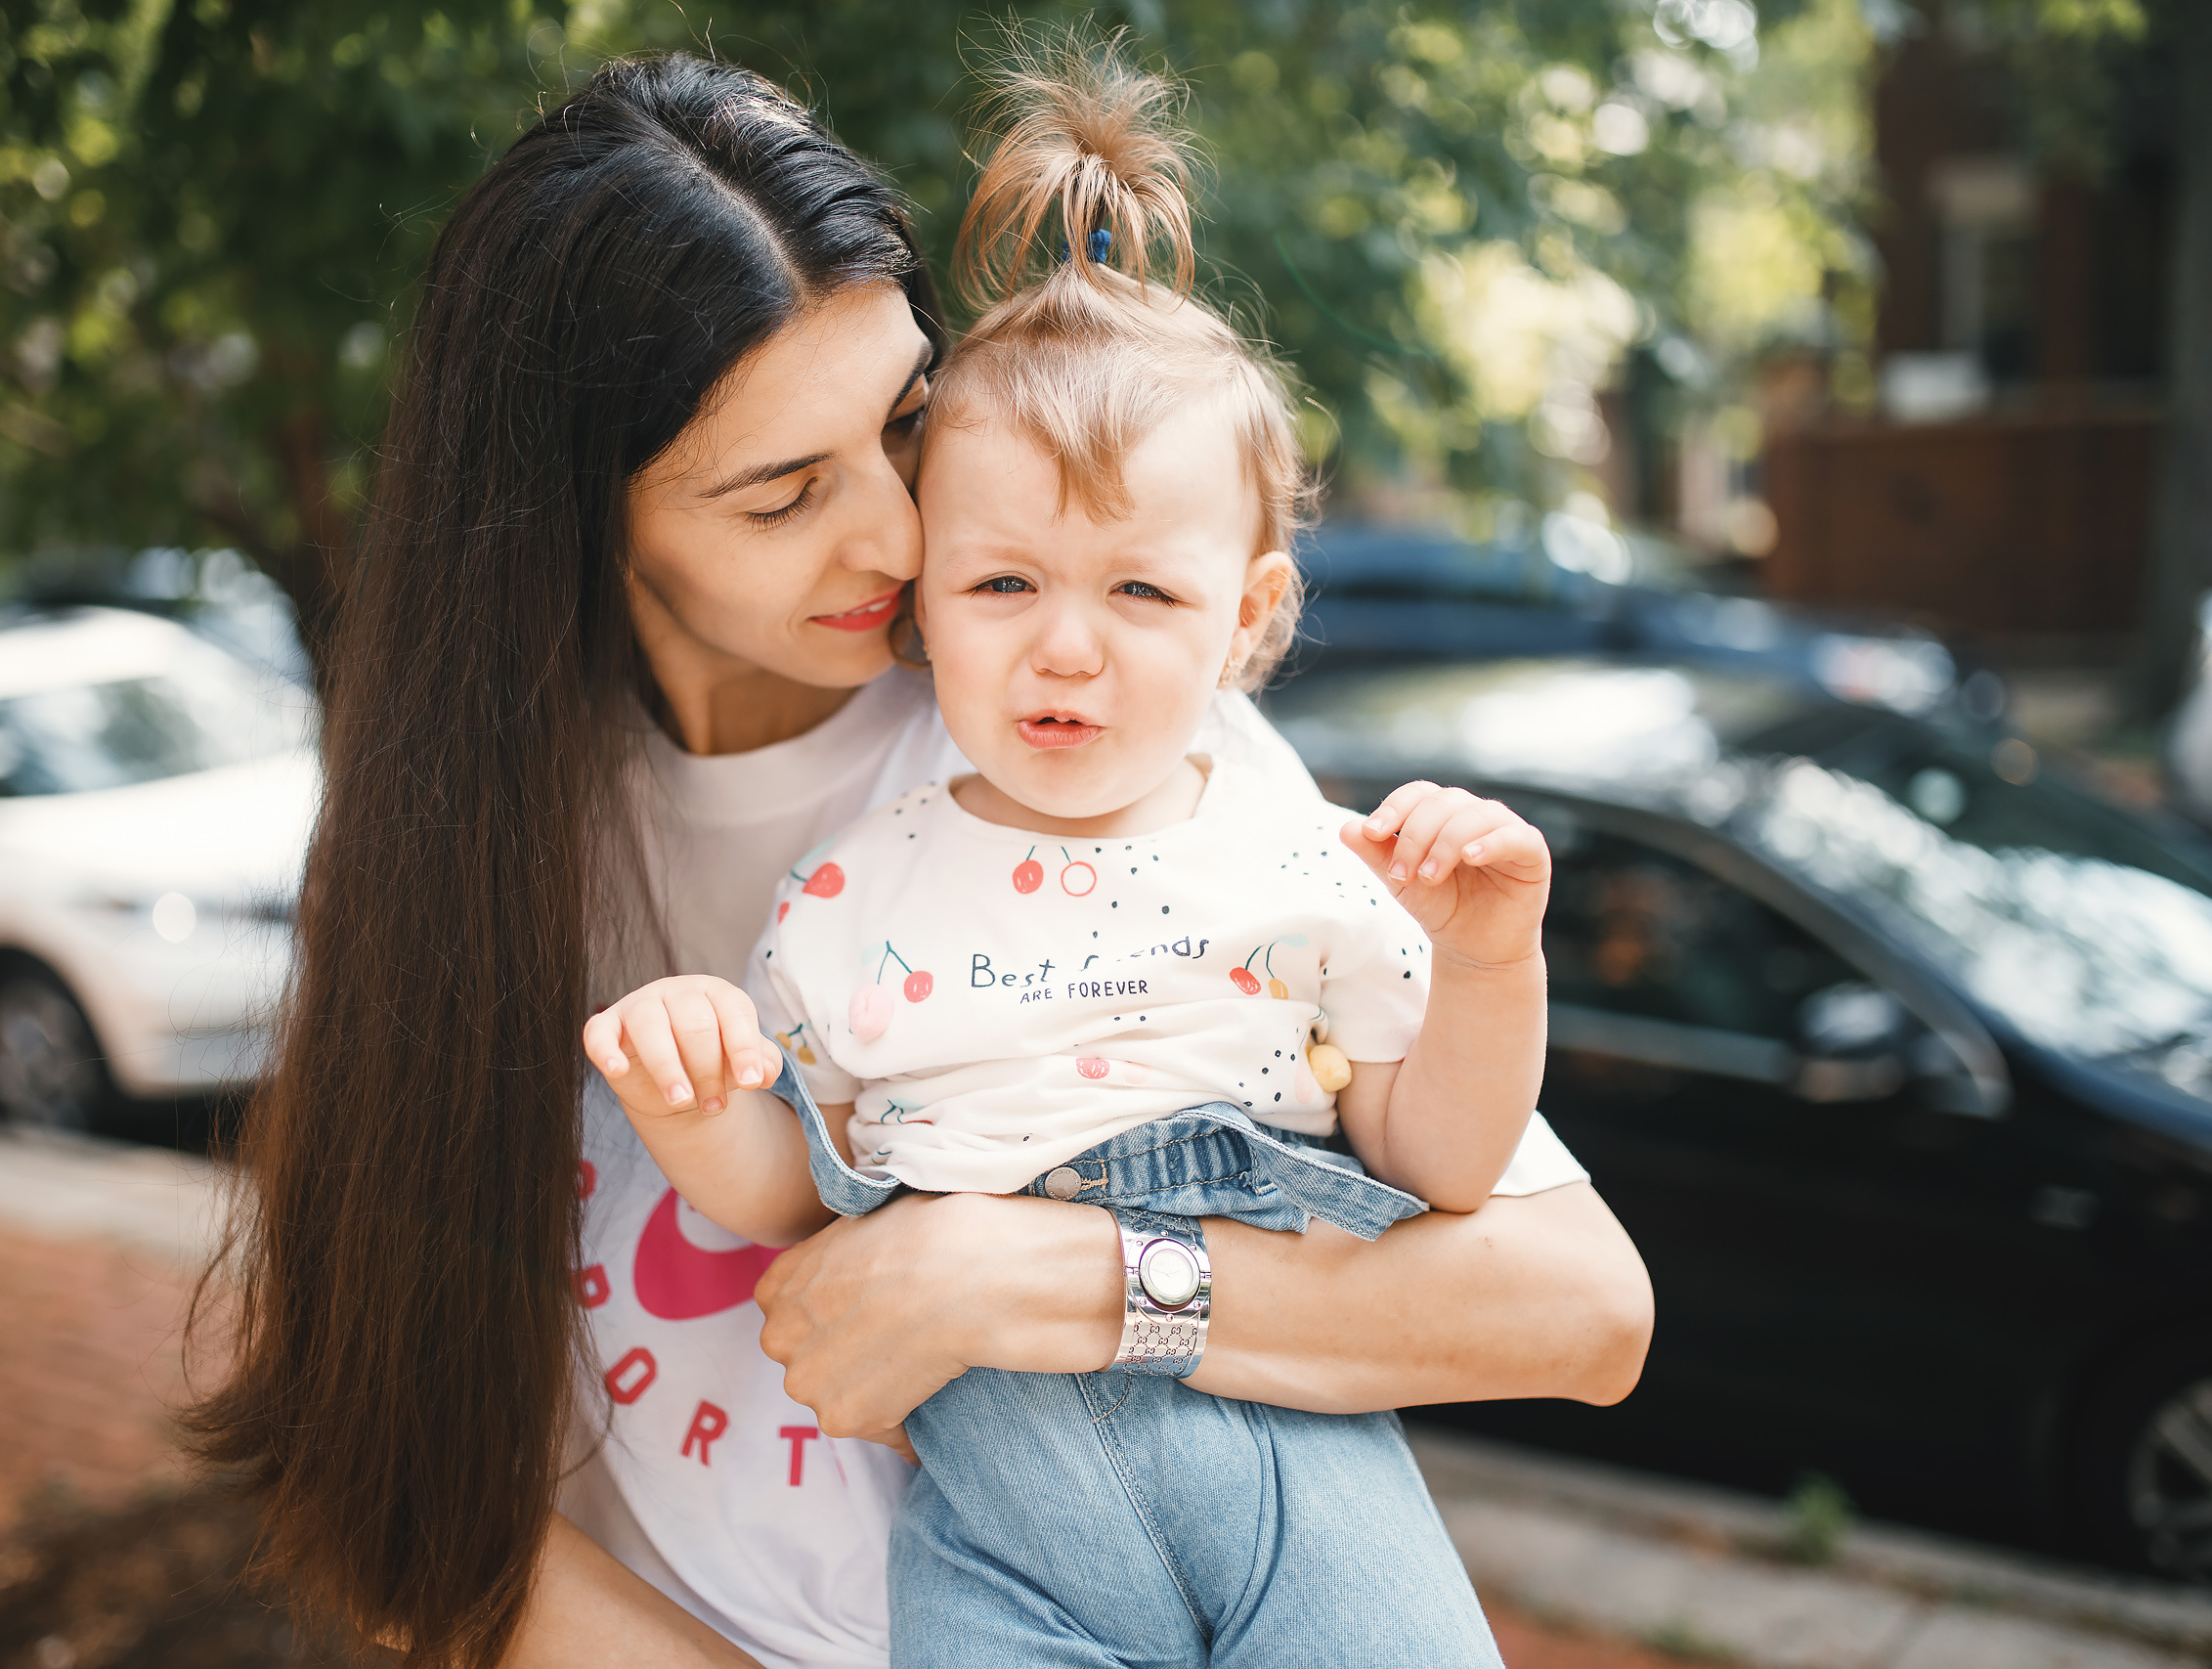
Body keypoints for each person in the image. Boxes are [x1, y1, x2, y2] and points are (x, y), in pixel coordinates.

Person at [187, 50, 1653, 1669]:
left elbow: (1578, 1308)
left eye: (902, 427)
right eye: (782, 495)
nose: (899, 539)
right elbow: (414, 1499)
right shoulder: (450, 859)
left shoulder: (1079, 745)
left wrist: (1034, 1276)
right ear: (578, 521)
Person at [581, 45, 1542, 1666]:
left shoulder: (1282, 843)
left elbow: (1454, 1176)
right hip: (990, 1544)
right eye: (1003, 584)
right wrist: (693, 1100)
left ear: (1250, 617)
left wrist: (1489, 963)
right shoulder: (851, 893)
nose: (1066, 655)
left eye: (1141, 595)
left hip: (1299, 1478)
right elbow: (785, 1197)